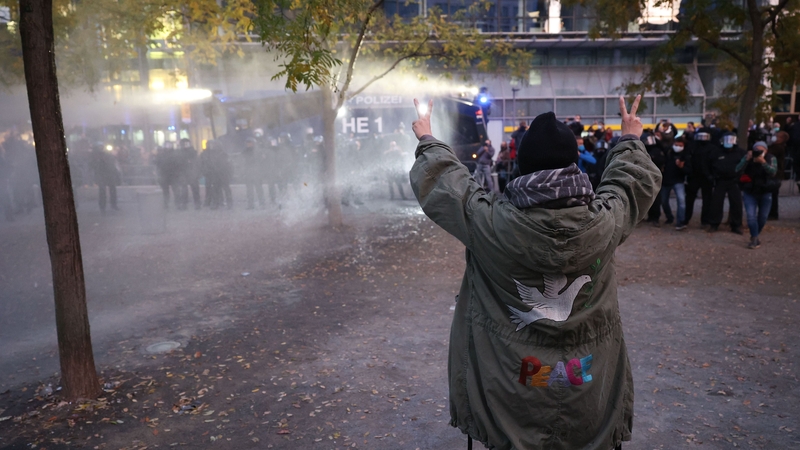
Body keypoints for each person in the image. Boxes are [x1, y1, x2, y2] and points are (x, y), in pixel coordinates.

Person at [409, 96, 660, 450]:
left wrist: (428, 139)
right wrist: (630, 140)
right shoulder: (605, 223)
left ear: (523, 167)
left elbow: (450, 188)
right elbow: (630, 185)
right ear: (574, 164)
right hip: (587, 386)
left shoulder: (490, 223)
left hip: (509, 391)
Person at [737, 141, 778, 249]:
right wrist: (746, 159)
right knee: (751, 217)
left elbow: (773, 172)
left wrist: (763, 162)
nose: (759, 152)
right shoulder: (748, 158)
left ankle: (755, 235)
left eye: (761, 150)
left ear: (766, 150)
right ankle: (754, 237)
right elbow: (737, 170)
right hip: (750, 191)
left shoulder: (771, 158)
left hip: (766, 191)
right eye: (757, 150)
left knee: (763, 217)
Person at [708, 131, 746, 234]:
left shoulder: (740, 152)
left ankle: (736, 225)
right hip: (720, 180)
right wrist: (713, 176)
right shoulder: (716, 152)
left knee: (736, 203)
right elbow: (710, 165)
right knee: (716, 203)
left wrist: (739, 177)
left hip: (734, 181)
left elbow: (744, 166)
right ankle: (714, 224)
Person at [684, 130, 714, 228]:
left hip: (706, 178)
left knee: (707, 201)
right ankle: (686, 219)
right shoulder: (692, 147)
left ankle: (705, 221)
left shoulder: (712, 148)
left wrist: (710, 175)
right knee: (689, 200)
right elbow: (688, 159)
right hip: (694, 177)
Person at [661, 136, 692, 230]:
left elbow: (689, 170)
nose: (677, 146)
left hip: (678, 181)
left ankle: (680, 222)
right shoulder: (668, 152)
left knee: (681, 201)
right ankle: (669, 217)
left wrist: (681, 167)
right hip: (666, 181)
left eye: (680, 145)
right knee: (664, 201)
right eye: (676, 144)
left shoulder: (685, 155)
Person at [89, 144, 120, 213]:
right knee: (102, 191)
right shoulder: (96, 157)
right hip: (102, 176)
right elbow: (93, 166)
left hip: (109, 175)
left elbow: (113, 165)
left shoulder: (110, 156)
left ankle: (113, 204)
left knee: (112, 190)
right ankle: (103, 207)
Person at [767, 131, 788, 219]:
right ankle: (772, 213)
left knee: (773, 194)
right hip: (777, 173)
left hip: (776, 174)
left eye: (778, 136)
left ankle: (772, 214)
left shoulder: (778, 148)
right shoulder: (777, 147)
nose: (775, 137)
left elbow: (768, 153)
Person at [177, 138, 202, 210]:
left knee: (195, 189)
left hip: (192, 172)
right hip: (183, 172)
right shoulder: (179, 153)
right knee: (184, 190)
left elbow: (197, 163)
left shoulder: (193, 152)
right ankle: (185, 204)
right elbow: (177, 163)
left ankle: (197, 203)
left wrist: (197, 172)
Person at [242, 137, 266, 210]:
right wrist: (243, 172)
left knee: (259, 189)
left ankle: (262, 203)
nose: (249, 144)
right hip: (248, 173)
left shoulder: (258, 152)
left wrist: (261, 172)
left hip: (256, 173)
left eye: (250, 143)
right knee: (249, 190)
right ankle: (250, 204)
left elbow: (262, 163)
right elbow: (242, 163)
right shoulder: (244, 152)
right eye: (248, 143)